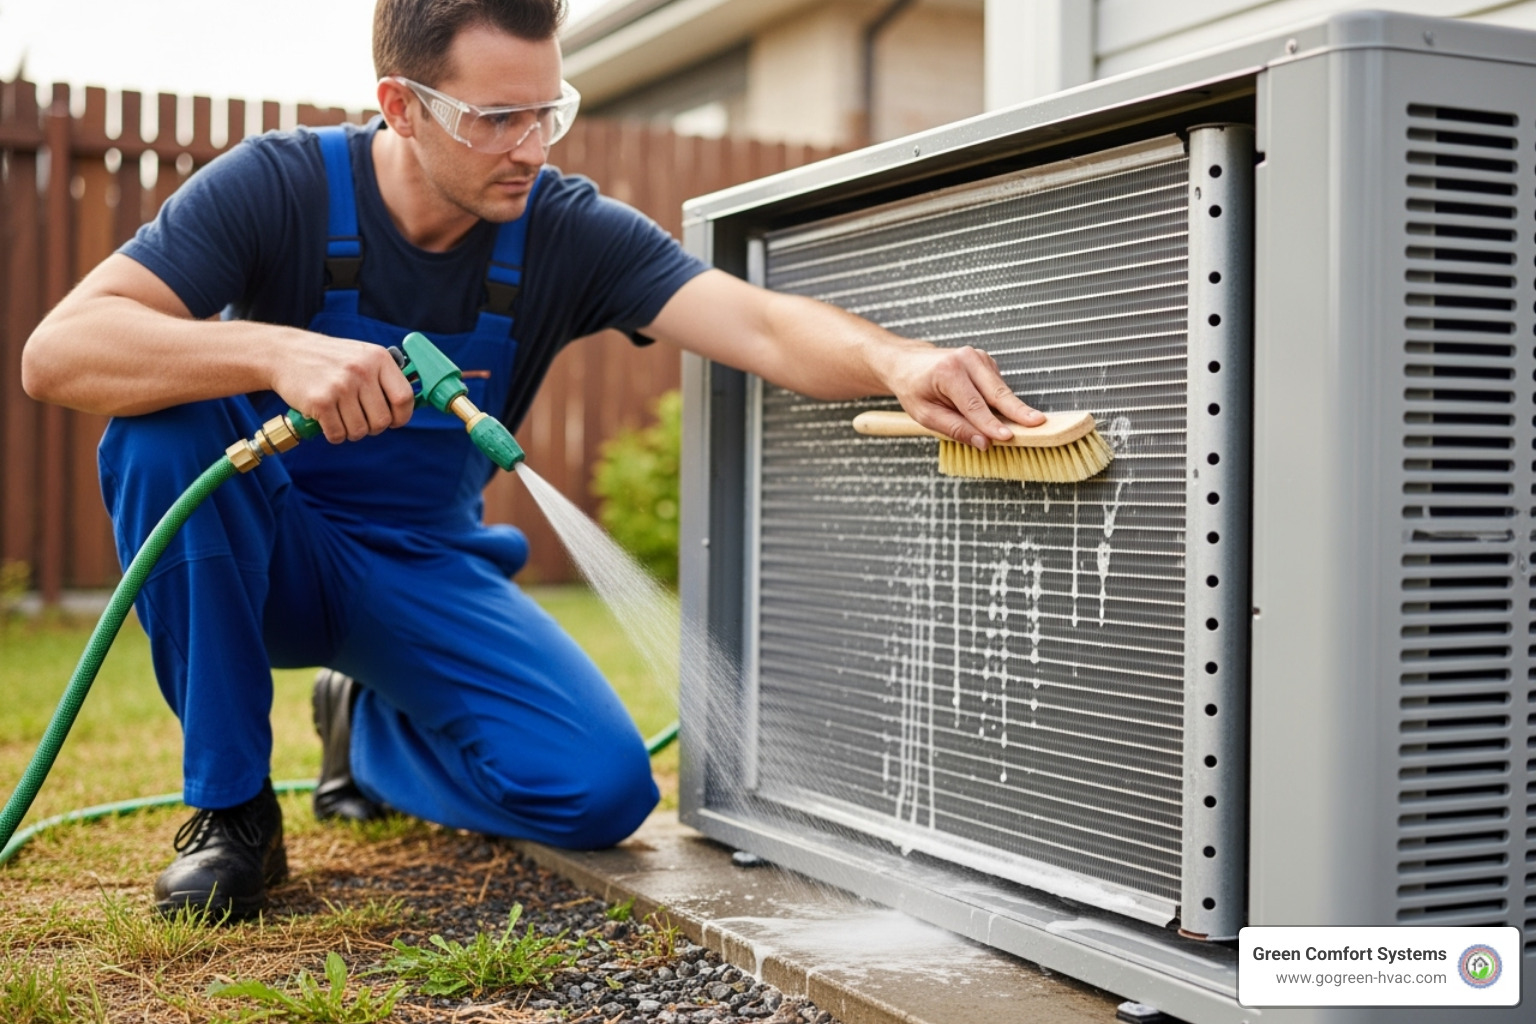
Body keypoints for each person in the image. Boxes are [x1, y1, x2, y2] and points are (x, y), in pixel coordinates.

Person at [20, 0, 1041, 920]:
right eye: (496, 118)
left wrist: (895, 359)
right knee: (157, 426)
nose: (530, 147)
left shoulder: (562, 231)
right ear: (403, 105)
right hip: (260, 550)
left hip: (423, 569)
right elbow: (58, 352)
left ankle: (367, 730)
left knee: (597, 790)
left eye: (548, 111)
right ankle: (231, 811)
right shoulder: (277, 187)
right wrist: (271, 347)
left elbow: (763, 329)